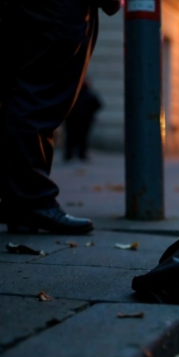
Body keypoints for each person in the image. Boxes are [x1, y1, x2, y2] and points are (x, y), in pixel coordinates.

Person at [0, 0, 120, 234]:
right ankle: (32, 201)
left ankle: (19, 204)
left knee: (18, 90)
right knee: (38, 97)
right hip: (60, 7)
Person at [64, 80, 102, 162]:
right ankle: (81, 154)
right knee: (83, 138)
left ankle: (69, 154)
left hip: (72, 121)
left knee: (70, 138)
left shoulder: (72, 95)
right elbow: (98, 105)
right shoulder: (90, 95)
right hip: (84, 121)